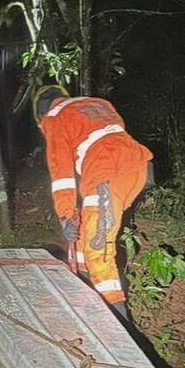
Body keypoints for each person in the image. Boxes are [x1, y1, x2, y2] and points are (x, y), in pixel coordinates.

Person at [33, 84, 154, 321]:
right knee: (84, 241)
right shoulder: (98, 104)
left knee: (97, 248)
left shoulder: (55, 117)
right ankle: (86, 293)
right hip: (137, 169)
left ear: (41, 114)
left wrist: (66, 214)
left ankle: (118, 324)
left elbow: (62, 175)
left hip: (106, 172)